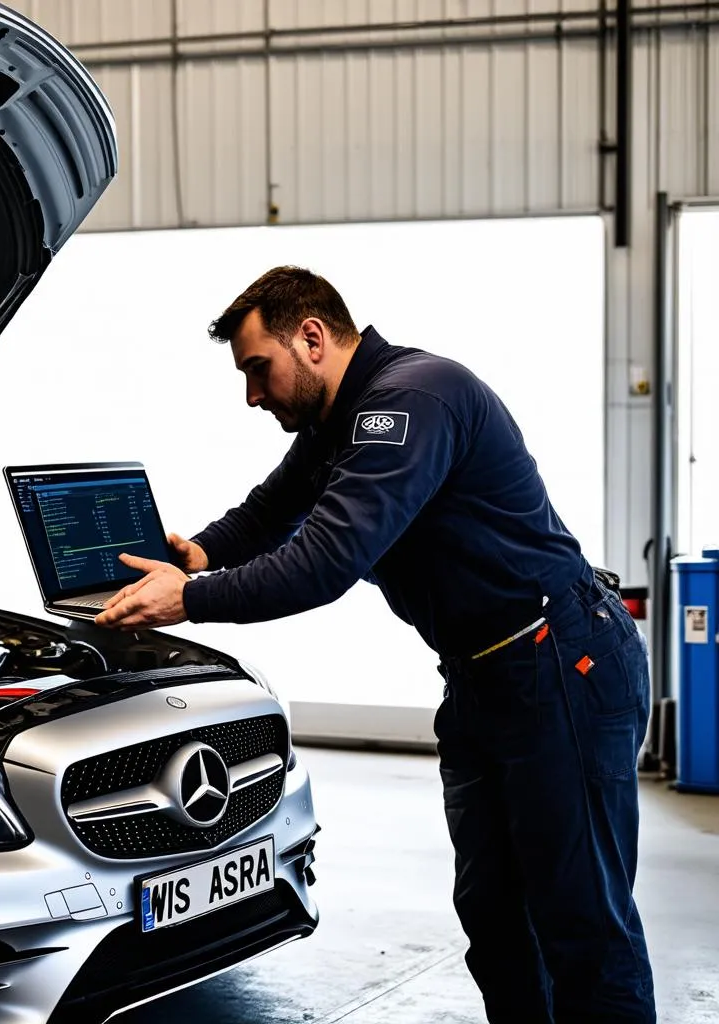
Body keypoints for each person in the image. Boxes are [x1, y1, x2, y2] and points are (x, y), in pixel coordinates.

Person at [93, 265, 655, 1024]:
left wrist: (188, 600)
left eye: (258, 369)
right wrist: (196, 554)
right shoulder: (341, 420)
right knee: (495, 919)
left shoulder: (409, 403)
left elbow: (324, 561)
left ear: (313, 338)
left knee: (582, 922)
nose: (252, 395)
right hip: (484, 677)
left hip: (559, 659)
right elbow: (270, 514)